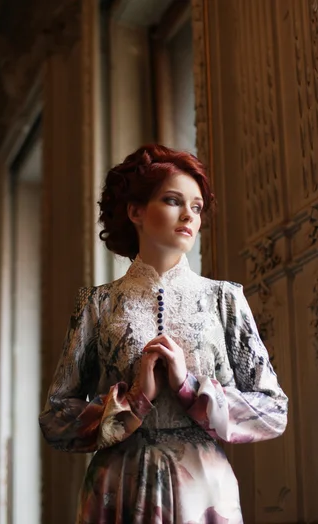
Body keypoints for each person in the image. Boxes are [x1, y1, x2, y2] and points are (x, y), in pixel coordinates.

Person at [38, 144, 288, 524]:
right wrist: (135, 401)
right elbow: (57, 420)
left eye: (198, 207)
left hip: (204, 492)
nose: (189, 214)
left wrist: (190, 388)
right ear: (135, 211)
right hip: (118, 489)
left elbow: (274, 411)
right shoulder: (98, 304)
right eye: (173, 200)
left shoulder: (224, 299)